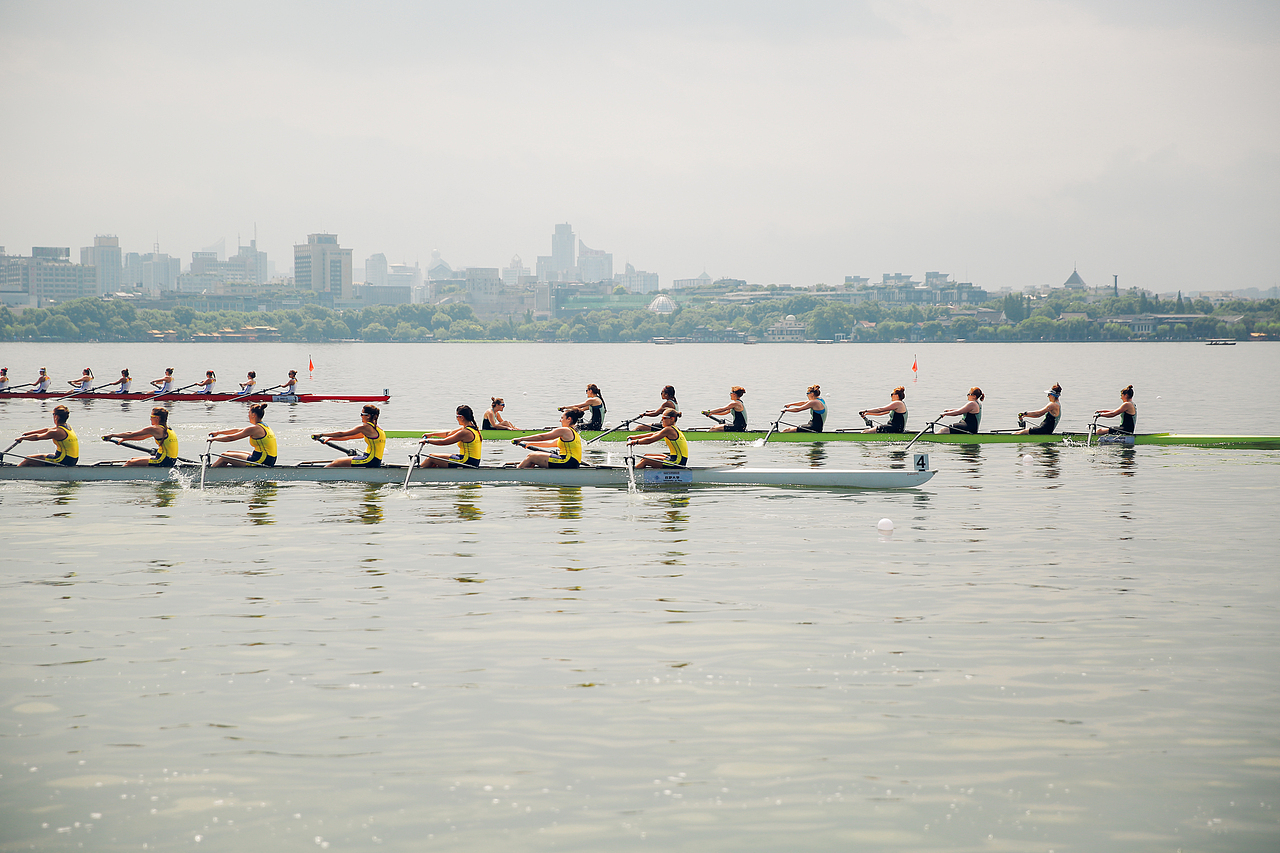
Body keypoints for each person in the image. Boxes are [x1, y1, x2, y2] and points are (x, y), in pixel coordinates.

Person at [104, 406, 180, 467]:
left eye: (151, 416)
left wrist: (112, 435)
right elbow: (142, 437)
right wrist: (124, 439)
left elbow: (131, 433)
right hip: (169, 459)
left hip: (163, 460)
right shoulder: (166, 428)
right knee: (133, 459)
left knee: (130, 463)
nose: (150, 418)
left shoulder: (155, 429)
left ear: (157, 418)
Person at [314, 404, 385, 468]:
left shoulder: (365, 427)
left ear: (368, 416)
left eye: (362, 414)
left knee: (337, 462)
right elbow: (349, 437)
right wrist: (330, 439)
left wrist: (321, 434)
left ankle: (320, 476)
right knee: (341, 462)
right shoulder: (377, 428)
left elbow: (342, 433)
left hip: (369, 460)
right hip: (375, 460)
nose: (361, 416)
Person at [208, 402, 276, 467]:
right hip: (268, 458)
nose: (248, 415)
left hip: (263, 460)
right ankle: (225, 473)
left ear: (253, 415)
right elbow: (237, 430)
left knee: (224, 456)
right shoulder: (263, 426)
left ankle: (210, 474)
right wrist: (218, 432)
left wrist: (213, 439)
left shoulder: (255, 428)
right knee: (229, 452)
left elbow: (231, 438)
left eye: (249, 413)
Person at [515, 409, 585, 469]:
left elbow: (542, 437)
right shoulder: (574, 432)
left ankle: (516, 474)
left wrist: (521, 439)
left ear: (569, 419)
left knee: (532, 456)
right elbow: (550, 443)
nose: (560, 420)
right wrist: (530, 443)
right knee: (536, 455)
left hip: (567, 461)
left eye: (562, 418)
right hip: (573, 463)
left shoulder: (565, 430)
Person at [418, 405, 483, 468]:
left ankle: (418, 474)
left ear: (462, 417)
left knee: (431, 457)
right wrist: (432, 434)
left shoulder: (465, 432)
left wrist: (426, 441)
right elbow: (449, 434)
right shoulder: (473, 428)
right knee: (436, 459)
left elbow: (444, 442)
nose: (457, 418)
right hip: (472, 460)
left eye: (457, 416)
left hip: (466, 461)